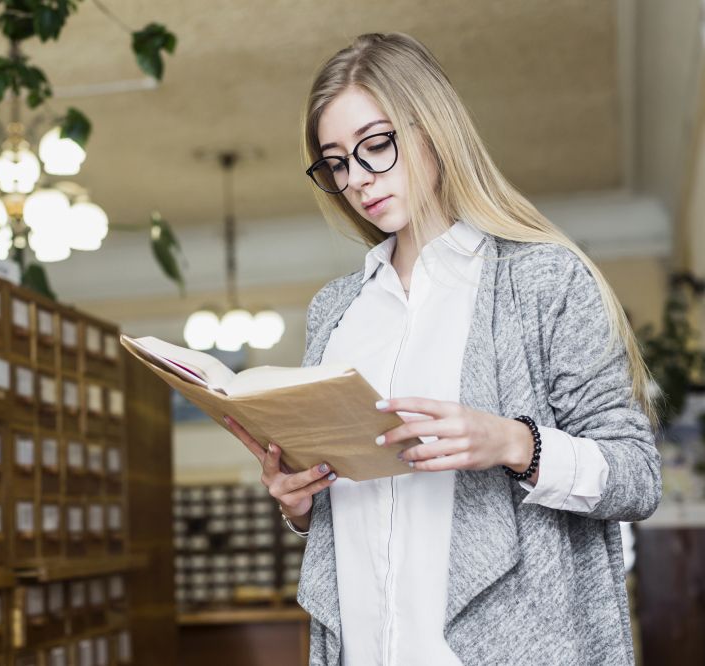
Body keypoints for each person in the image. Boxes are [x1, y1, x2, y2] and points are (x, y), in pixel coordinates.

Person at [222, 32, 661, 665]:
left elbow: (637, 477)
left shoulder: (541, 279)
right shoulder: (336, 312)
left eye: (376, 147)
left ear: (432, 128)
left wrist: (516, 443)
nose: (359, 181)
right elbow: (352, 512)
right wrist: (299, 502)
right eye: (337, 163)